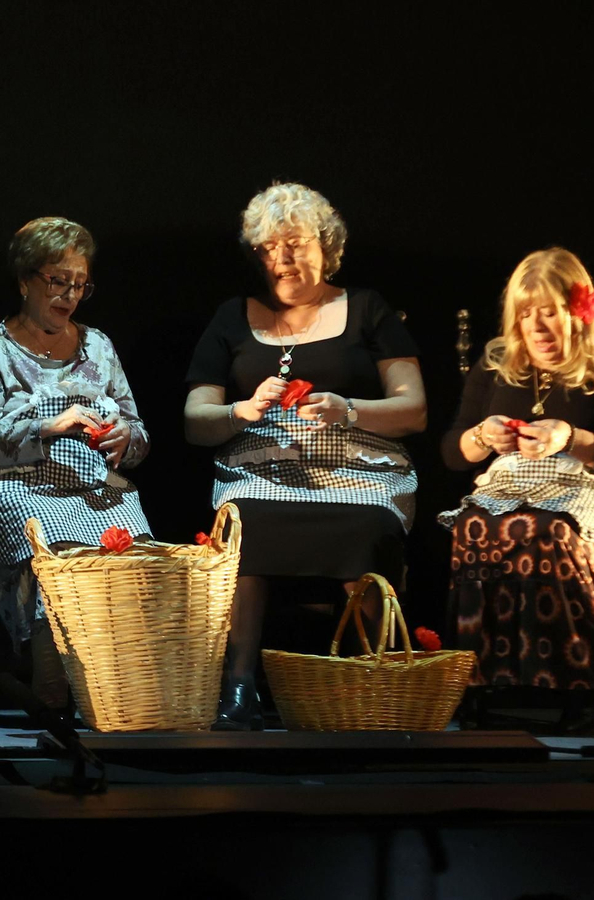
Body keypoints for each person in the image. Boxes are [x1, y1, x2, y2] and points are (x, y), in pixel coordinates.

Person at [184, 183, 427, 730]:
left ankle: (375, 684)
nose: (283, 259)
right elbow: (194, 421)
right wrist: (239, 412)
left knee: (364, 527)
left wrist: (349, 409)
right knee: (245, 525)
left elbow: (414, 410)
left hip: (358, 473)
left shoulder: (366, 309)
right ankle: (238, 689)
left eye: (294, 243)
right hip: (261, 473)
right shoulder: (232, 317)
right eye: (269, 248)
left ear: (327, 245)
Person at [439, 247, 594, 722]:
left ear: (579, 312)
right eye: (525, 314)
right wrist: (483, 437)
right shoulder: (497, 363)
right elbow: (452, 452)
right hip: (511, 493)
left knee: (551, 531)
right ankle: (478, 681)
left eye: (550, 313)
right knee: (473, 525)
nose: (536, 328)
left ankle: (583, 685)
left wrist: (571, 438)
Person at [0, 216, 152, 710]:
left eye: (79, 285)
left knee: (133, 553)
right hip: (10, 484)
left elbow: (140, 434)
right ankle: (53, 690)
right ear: (25, 280)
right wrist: (45, 426)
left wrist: (126, 438)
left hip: (90, 487)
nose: (69, 295)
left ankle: (117, 691)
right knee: (57, 556)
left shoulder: (99, 347)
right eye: (56, 282)